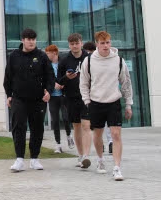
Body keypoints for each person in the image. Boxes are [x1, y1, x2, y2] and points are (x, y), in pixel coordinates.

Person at [79, 31, 133, 181]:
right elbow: (83, 83)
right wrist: (87, 101)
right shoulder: (88, 61)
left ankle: (117, 167)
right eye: (102, 43)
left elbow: (126, 83)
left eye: (108, 42)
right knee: (97, 134)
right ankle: (100, 160)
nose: (105, 46)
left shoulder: (118, 60)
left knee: (116, 134)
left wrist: (128, 104)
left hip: (113, 101)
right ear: (97, 44)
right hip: (95, 102)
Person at [3, 28, 54, 172]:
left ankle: (34, 159)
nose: (31, 42)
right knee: (19, 127)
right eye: (28, 39)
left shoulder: (42, 56)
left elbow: (50, 76)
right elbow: (7, 77)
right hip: (18, 98)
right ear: (22, 40)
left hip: (38, 99)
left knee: (37, 128)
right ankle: (19, 159)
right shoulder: (14, 56)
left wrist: (49, 91)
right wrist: (8, 94)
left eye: (33, 39)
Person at [56, 34, 90, 166]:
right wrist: (66, 78)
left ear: (81, 43)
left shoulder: (90, 58)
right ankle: (80, 155)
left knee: (86, 125)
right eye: (72, 44)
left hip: (87, 97)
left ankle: (86, 155)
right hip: (70, 97)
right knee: (76, 127)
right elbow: (58, 80)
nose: (75, 46)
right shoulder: (64, 60)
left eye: (77, 43)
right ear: (69, 45)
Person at [45, 45, 70, 154]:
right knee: (55, 121)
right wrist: (53, 84)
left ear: (54, 53)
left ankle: (69, 136)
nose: (47, 56)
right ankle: (58, 144)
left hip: (63, 95)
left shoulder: (62, 63)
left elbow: (69, 76)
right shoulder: (46, 66)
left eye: (48, 53)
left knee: (65, 118)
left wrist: (64, 84)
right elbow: (45, 79)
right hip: (53, 97)